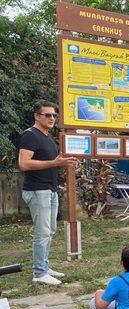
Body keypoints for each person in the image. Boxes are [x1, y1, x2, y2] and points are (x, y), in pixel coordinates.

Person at [18, 100, 78, 286]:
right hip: (37, 190)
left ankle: (44, 266)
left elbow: (52, 161)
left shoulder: (47, 136)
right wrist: (54, 163)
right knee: (42, 232)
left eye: (54, 115)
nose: (52, 118)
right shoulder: (30, 135)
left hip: (49, 190)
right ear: (37, 116)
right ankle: (39, 272)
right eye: (48, 115)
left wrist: (64, 161)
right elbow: (24, 164)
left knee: (49, 231)